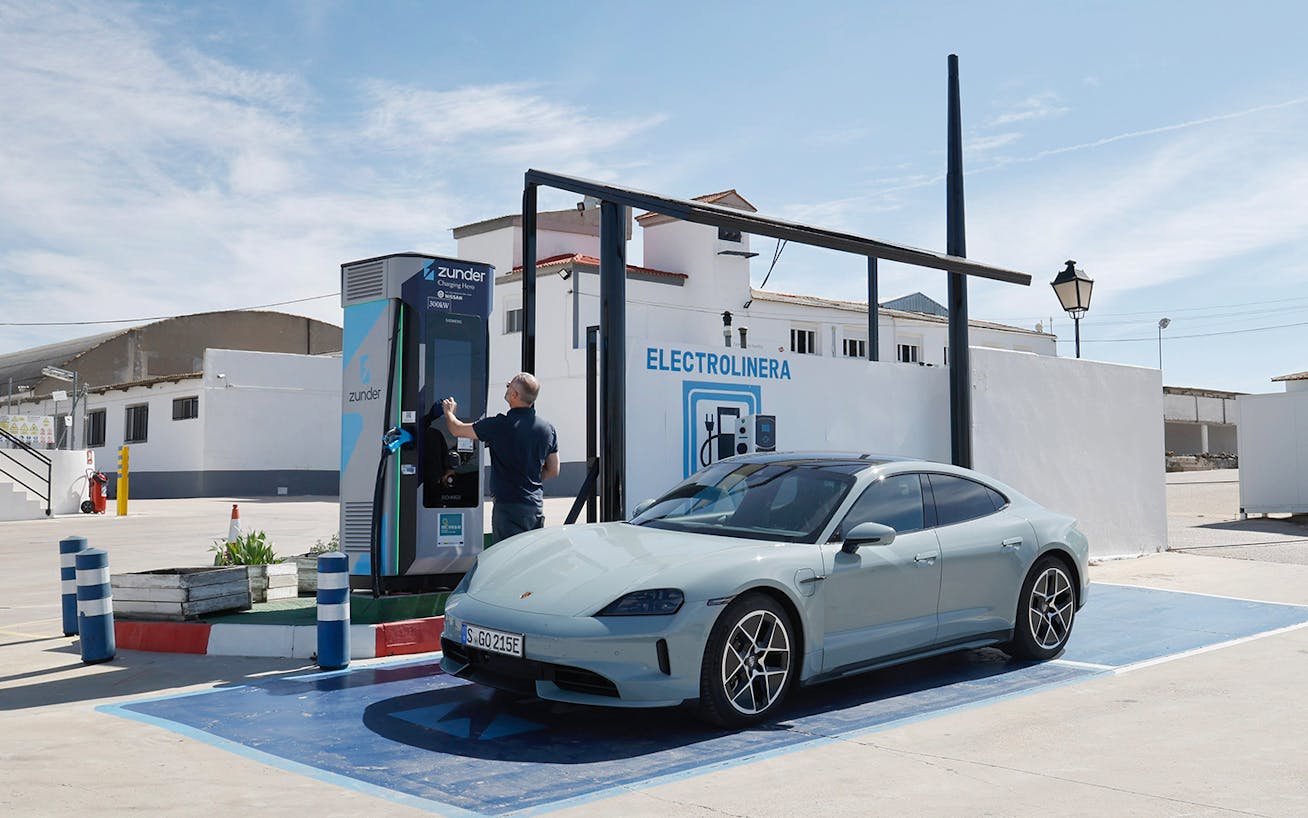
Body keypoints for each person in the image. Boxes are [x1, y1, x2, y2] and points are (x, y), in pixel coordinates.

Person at [441, 372, 559, 544]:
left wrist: (449, 412)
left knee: (506, 560)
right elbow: (554, 470)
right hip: (534, 507)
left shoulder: (498, 425)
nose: (506, 387)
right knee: (529, 556)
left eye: (508, 385)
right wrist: (527, 478)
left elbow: (457, 430)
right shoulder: (547, 429)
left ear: (514, 395)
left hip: (508, 508)